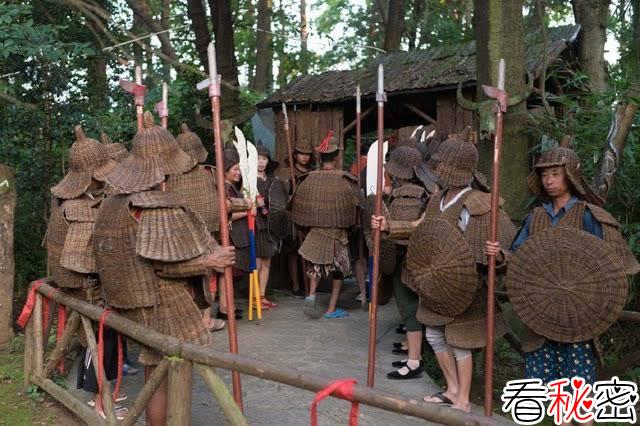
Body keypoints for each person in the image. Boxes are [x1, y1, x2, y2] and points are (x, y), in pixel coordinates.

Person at [95, 112, 236, 425]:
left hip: (128, 300)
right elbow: (164, 265)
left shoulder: (111, 202)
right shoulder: (152, 203)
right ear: (164, 168)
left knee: (155, 372)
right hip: (160, 302)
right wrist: (210, 261)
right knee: (169, 373)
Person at [485, 147, 639, 425]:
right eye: (544, 174)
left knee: (579, 395)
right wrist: (500, 256)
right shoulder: (536, 217)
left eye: (555, 174)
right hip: (540, 315)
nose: (549, 180)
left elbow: (612, 264)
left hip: (578, 320)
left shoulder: (588, 215)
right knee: (554, 395)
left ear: (570, 176)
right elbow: (518, 258)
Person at [373, 134, 515, 412]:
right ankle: (451, 389)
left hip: (464, 285)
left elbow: (503, 250)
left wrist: (497, 254)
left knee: (460, 341)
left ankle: (463, 398)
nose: (436, 170)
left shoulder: (478, 202)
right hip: (436, 281)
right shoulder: (437, 198)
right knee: (435, 336)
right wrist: (390, 227)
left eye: (440, 165)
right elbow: (419, 228)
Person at [47, 126, 127, 419]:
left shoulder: (88, 200)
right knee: (101, 345)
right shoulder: (75, 208)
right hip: (87, 291)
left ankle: (106, 395)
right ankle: (100, 400)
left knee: (106, 344)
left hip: (95, 290)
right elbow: (76, 259)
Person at [169, 123, 247, 331]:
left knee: (193, 278)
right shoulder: (210, 174)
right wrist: (249, 205)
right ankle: (203, 320)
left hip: (180, 237)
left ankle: (194, 320)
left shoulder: (168, 178)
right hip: (203, 235)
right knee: (206, 277)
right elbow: (224, 203)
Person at [291, 132, 360, 318]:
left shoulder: (308, 179)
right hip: (338, 234)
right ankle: (331, 309)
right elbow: (356, 208)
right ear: (337, 156)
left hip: (316, 232)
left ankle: (312, 295)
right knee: (338, 272)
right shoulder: (346, 180)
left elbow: (295, 208)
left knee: (316, 267)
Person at [380, 146, 427, 380]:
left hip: (413, 258)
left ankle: (415, 359)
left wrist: (392, 227)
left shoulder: (423, 195)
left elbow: (422, 224)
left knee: (410, 309)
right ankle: (413, 354)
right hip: (400, 257)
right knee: (407, 308)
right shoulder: (407, 192)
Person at [277, 138, 316, 296]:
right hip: (292, 215)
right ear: (295, 155)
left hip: (309, 215)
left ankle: (309, 284)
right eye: (301, 153)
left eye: (307, 154)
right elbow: (282, 196)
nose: (305, 157)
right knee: (293, 251)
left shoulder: (312, 173)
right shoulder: (287, 172)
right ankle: (295, 286)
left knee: (309, 252)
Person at [255, 144, 281, 309]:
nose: (261, 162)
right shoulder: (248, 180)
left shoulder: (272, 181)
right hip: (256, 224)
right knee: (256, 262)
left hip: (270, 224)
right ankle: (254, 296)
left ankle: (262, 295)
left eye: (264, 159)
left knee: (267, 262)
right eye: (258, 158)